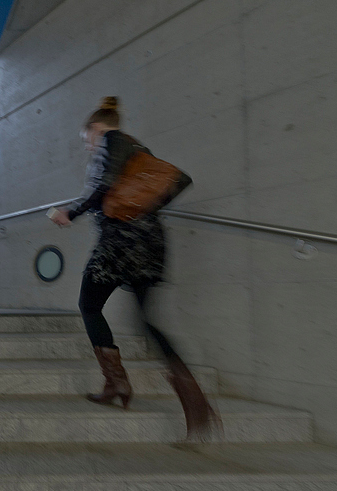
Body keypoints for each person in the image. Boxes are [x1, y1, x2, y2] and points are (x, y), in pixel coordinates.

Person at [50, 96, 223, 441]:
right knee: (147, 321)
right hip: (150, 243)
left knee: (89, 305)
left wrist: (70, 212)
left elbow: (104, 187)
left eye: (87, 139)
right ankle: (195, 402)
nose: (88, 146)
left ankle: (117, 382)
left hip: (120, 243)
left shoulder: (113, 141)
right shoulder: (139, 148)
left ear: (95, 128)